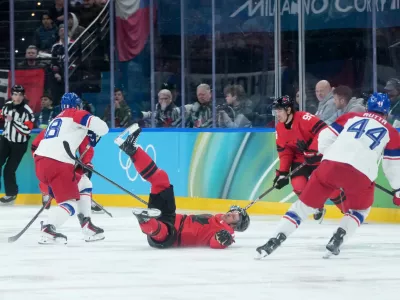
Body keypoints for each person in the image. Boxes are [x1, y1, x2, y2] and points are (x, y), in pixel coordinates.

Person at [256, 92, 400, 259]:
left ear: (367, 107)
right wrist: (398, 191)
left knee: (301, 208)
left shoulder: (351, 116)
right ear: (387, 112)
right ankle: (338, 237)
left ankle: (274, 240)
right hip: (362, 174)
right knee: (360, 210)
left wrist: (323, 154)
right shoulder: (392, 133)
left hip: (330, 165)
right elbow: (392, 166)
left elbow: (325, 136)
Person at [114, 124, 250, 249]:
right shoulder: (218, 218)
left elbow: (216, 243)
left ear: (235, 226)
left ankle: (145, 220)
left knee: (163, 230)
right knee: (162, 179)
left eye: (235, 216)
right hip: (170, 216)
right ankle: (131, 149)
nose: (231, 213)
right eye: (233, 212)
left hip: (172, 235)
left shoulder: (226, 231)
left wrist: (223, 240)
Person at [33, 92, 109, 244]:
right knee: (69, 203)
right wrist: (94, 132)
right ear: (78, 105)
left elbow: (36, 144)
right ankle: (48, 228)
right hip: (58, 163)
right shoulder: (76, 114)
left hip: (41, 163)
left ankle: (87, 225)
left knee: (84, 183)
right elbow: (104, 128)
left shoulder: (56, 120)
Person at [272, 95, 344, 221]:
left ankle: (349, 211)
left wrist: (313, 150)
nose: (277, 114)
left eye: (279, 110)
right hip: (301, 159)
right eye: (275, 111)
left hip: (319, 156)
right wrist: (283, 172)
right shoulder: (279, 128)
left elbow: (324, 131)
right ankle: (317, 207)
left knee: (330, 189)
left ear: (288, 110)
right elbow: (285, 152)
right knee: (298, 185)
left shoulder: (305, 118)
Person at [0, 85, 35, 204]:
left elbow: (27, 130)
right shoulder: (6, 106)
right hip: (5, 140)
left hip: (19, 144)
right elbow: (1, 115)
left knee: (9, 169)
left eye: (20, 95)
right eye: (15, 94)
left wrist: (13, 121)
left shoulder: (27, 111)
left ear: (23, 96)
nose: (18, 97)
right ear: (11, 95)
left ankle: (11, 194)